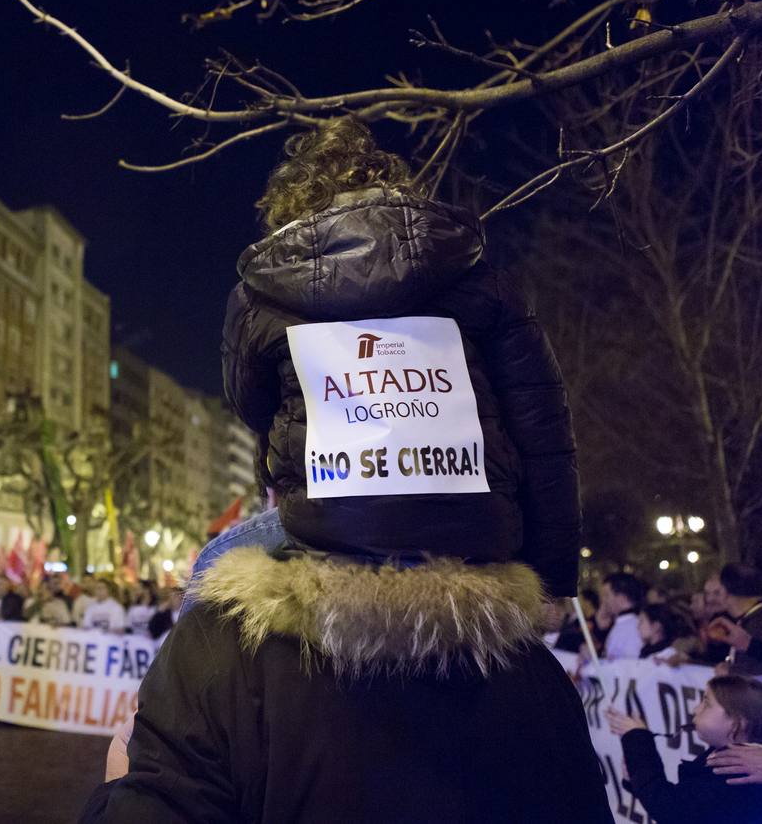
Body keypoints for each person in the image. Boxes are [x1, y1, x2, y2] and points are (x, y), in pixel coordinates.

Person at [81, 119, 609, 822]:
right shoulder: (480, 280)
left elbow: (250, 402)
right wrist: (550, 575)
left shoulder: (262, 290)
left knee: (217, 575)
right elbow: (545, 428)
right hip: (472, 526)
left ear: (293, 212)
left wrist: (124, 784)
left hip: (322, 523)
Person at [607, 675, 762, 821]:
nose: (695, 709)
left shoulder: (736, 768)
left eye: (706, 703)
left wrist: (637, 739)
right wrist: (637, 780)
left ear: (738, 723)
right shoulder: (740, 758)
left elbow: (671, 809)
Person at [708, 540, 762, 677]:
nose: (709, 599)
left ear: (725, 592)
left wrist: (734, 673)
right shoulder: (751, 620)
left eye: (715, 592)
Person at [599, 572, 645, 660]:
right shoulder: (622, 624)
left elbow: (630, 667)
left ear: (622, 598)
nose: (603, 601)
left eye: (606, 595)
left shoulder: (632, 628)